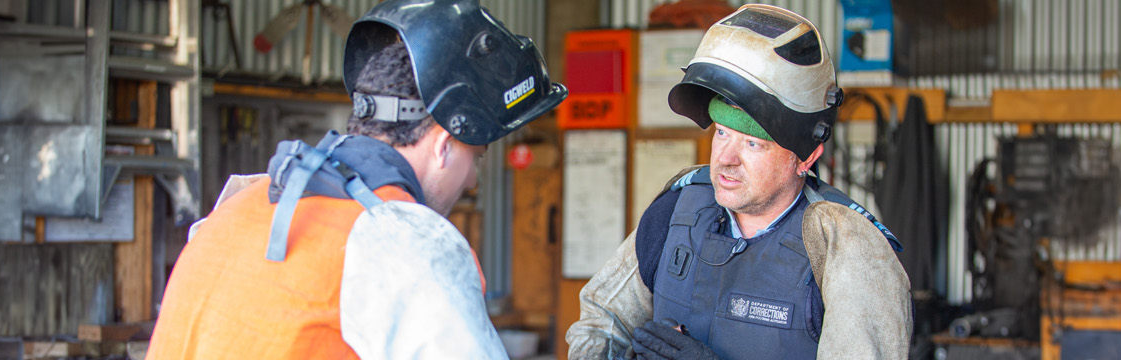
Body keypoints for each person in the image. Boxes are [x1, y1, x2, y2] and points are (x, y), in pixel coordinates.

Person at [146, 0, 566, 358]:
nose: (471, 180)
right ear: (443, 144)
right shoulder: (408, 241)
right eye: (476, 156)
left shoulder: (235, 206)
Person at [565, 5, 911, 360]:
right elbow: (600, 322)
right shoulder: (674, 212)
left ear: (805, 157)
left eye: (752, 143)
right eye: (722, 133)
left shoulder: (846, 247)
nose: (726, 159)